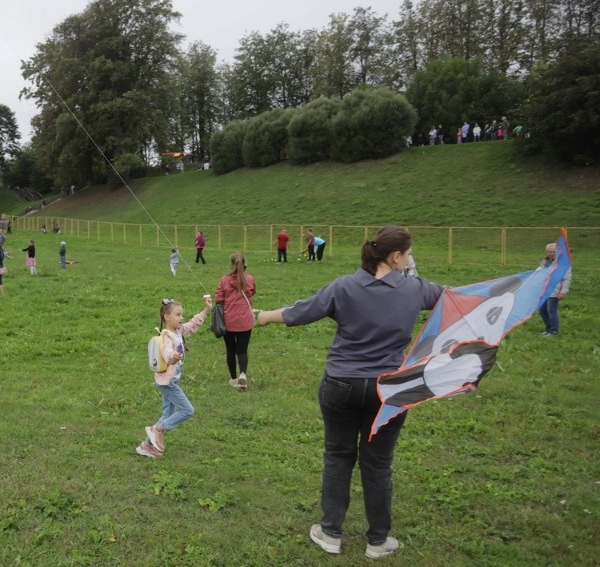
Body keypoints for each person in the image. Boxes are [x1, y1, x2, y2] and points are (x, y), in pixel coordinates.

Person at [256, 226, 443, 559]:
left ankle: (330, 533)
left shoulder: (344, 286)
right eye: (408, 255)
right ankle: (378, 541)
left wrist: (266, 317)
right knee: (378, 464)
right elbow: (458, 299)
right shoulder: (417, 289)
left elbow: (304, 310)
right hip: (388, 391)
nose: (410, 260)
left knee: (338, 456)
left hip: (341, 385)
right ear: (395, 257)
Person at [139, 296, 213, 458]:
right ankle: (157, 430)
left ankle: (146, 446)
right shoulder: (167, 336)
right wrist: (172, 357)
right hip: (168, 383)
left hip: (170, 380)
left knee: (167, 415)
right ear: (167, 317)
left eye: (182, 315)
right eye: (178, 315)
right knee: (188, 410)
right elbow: (166, 351)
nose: (182, 318)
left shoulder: (179, 331)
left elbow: (193, 324)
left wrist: (206, 310)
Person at [215, 252, 256, 390]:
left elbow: (219, 299)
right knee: (242, 351)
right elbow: (252, 291)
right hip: (245, 321)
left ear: (231, 264)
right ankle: (243, 374)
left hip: (229, 321)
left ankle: (233, 379)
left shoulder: (224, 280)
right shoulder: (250, 278)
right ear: (244, 264)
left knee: (230, 350)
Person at [538, 242, 572, 337]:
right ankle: (548, 329)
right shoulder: (544, 262)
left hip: (554, 292)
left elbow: (567, 279)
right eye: (549, 252)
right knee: (542, 310)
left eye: (553, 252)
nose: (551, 254)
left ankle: (554, 331)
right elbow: (538, 273)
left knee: (551, 311)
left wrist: (563, 292)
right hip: (544, 291)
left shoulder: (563, 264)